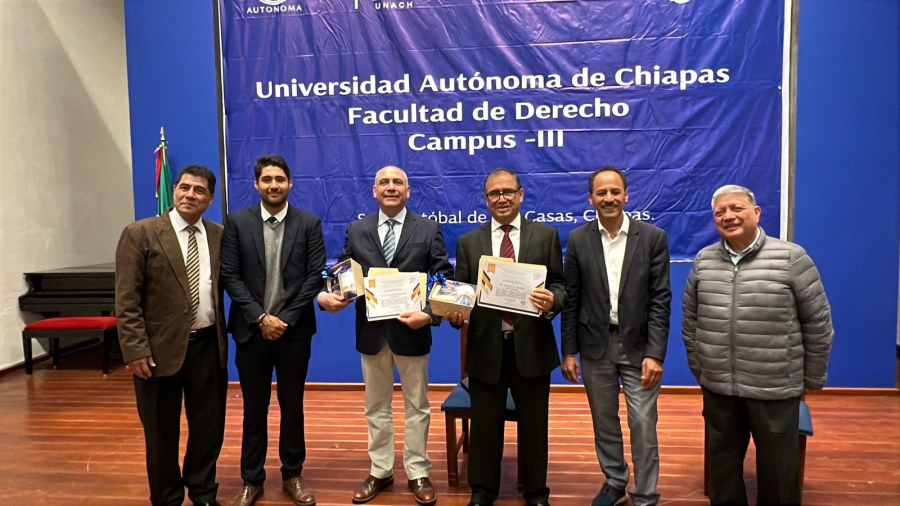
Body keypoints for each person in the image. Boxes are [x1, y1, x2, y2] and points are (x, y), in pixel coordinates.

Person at [682, 184, 833, 506]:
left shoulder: (791, 257)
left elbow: (818, 322)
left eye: (736, 208)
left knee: (778, 474)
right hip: (719, 388)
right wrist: (701, 368)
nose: (728, 216)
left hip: (775, 388)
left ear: (756, 212)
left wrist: (811, 379)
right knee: (723, 471)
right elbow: (690, 320)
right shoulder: (704, 261)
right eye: (720, 212)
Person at [317, 165, 453, 505]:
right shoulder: (357, 229)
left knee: (417, 407)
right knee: (375, 407)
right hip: (372, 333)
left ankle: (418, 471)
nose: (391, 187)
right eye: (384, 183)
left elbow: (442, 277)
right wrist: (330, 293)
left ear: (407, 191)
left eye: (397, 183)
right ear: (374, 191)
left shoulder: (428, 228)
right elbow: (343, 274)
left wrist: (431, 314)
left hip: (413, 331)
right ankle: (381, 470)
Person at [448, 168, 567, 506]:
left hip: (533, 348)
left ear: (521, 194)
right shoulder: (468, 242)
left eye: (507, 192)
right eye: (493, 194)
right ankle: (482, 492)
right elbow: (462, 295)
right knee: (485, 428)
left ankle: (536, 493)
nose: (501, 198)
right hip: (486, 348)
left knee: (534, 427)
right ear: (485, 199)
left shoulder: (545, 236)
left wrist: (552, 300)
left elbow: (561, 286)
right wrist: (455, 315)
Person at [115, 164, 228, 506]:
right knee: (161, 431)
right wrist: (134, 349)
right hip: (157, 351)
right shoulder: (141, 233)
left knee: (208, 428)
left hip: (208, 346)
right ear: (174, 190)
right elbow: (126, 297)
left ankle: (203, 490)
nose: (190, 195)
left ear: (210, 199)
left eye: (199, 191)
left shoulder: (219, 235)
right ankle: (166, 496)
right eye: (184, 187)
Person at [560, 166, 671, 506]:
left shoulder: (652, 237)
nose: (608, 198)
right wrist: (568, 350)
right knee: (604, 420)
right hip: (596, 346)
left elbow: (660, 300)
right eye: (601, 193)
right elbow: (572, 298)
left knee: (642, 422)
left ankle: (646, 493)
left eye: (614, 191)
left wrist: (656, 353)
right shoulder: (579, 239)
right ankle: (615, 480)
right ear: (591, 198)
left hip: (639, 347)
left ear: (626, 195)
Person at [221, 155, 326, 506]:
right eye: (266, 179)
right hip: (251, 332)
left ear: (290, 183)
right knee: (254, 408)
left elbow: (314, 276)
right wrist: (260, 317)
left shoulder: (308, 223)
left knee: (292, 405)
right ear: (256, 184)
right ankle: (251, 479)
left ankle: (293, 475)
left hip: (294, 333)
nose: (273, 185)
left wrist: (285, 319)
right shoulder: (236, 223)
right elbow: (230, 276)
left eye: (280, 179)